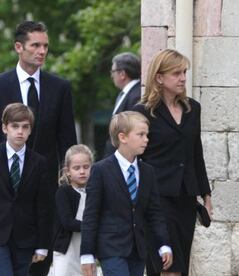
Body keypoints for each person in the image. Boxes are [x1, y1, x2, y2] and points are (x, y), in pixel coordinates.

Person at [0, 20, 77, 275]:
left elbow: (67, 143)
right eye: (35, 45)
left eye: (46, 46)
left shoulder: (60, 88)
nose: (42, 51)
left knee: (38, 268)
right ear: (19, 47)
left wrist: (71, 190)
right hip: (3, 197)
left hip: (44, 197)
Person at [132, 49, 212, 276]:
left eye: (184, 72)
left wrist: (206, 195)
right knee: (168, 266)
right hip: (156, 199)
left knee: (180, 265)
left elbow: (196, 153)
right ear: (159, 77)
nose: (183, 78)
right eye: (176, 73)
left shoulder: (192, 108)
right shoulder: (143, 112)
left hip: (186, 198)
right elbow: (136, 157)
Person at [81, 111, 173, 276]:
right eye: (141, 135)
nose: (146, 139)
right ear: (123, 137)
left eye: (147, 134)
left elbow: (155, 212)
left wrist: (164, 244)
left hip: (138, 250)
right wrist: (87, 254)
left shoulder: (148, 172)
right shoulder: (101, 170)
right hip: (111, 248)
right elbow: (91, 214)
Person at [0, 103, 53, 276]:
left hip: (27, 236)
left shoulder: (39, 163)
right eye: (15, 126)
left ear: (30, 130)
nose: (20, 131)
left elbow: (44, 206)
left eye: (25, 127)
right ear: (5, 128)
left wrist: (43, 245)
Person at [52, 144, 94, 276]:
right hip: (66, 251)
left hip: (88, 250)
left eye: (86, 167)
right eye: (77, 168)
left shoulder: (95, 192)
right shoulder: (63, 192)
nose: (82, 171)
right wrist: (93, 227)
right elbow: (67, 222)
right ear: (67, 171)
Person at [104, 52, 141, 156]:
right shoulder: (127, 93)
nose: (111, 75)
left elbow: (133, 132)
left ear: (122, 74)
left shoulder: (136, 96)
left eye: (113, 71)